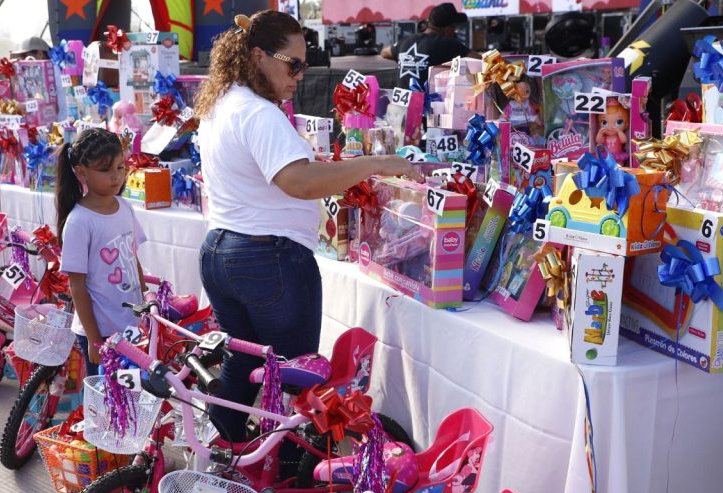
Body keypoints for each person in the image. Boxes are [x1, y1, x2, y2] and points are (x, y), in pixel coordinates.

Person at [193, 10, 421, 443]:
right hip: (267, 259)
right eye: (292, 63)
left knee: (243, 363)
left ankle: (220, 461)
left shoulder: (224, 102)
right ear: (258, 56)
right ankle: (289, 474)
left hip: (223, 251)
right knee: (298, 377)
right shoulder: (257, 113)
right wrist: (375, 164)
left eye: (305, 63)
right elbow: (296, 182)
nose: (300, 73)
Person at [57, 128, 148, 376]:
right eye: (105, 169)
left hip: (132, 326)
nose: (116, 176)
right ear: (81, 172)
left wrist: (147, 306)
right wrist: (95, 339)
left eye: (120, 167)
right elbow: (77, 285)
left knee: (133, 398)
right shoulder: (80, 221)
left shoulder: (125, 207)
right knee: (108, 404)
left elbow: (132, 258)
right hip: (102, 332)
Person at [381, 3, 481, 89]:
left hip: (400, 106)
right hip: (426, 106)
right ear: (447, 28)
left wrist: (406, 59)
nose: (454, 31)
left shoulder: (406, 41)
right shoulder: (447, 44)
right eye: (454, 27)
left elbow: (384, 53)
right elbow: (480, 60)